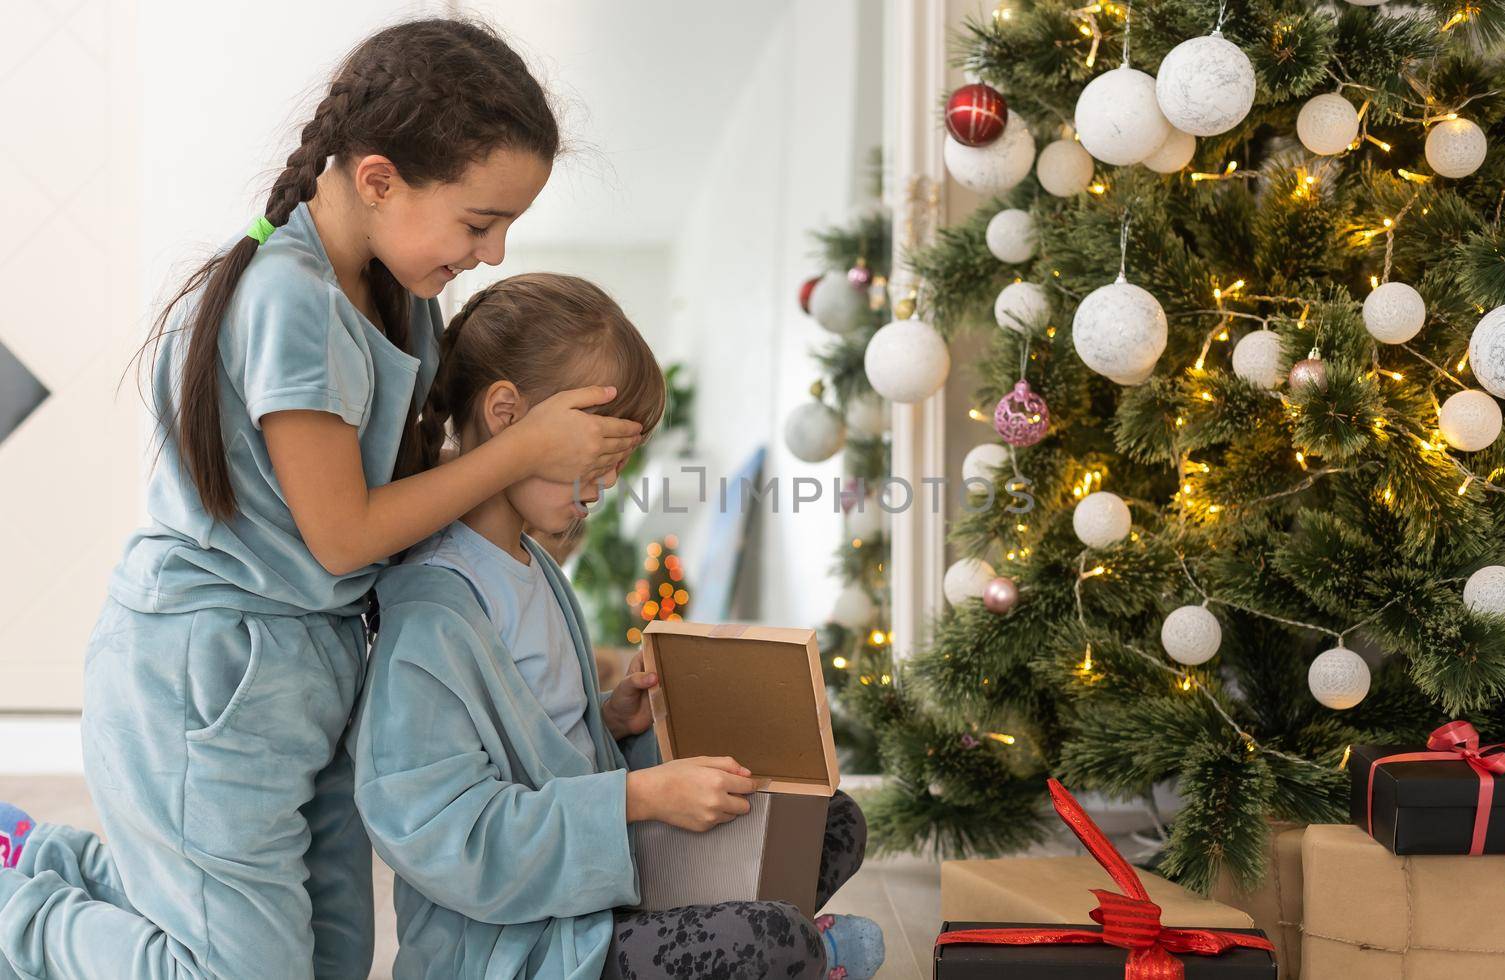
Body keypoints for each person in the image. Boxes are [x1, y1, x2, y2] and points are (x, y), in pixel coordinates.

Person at [0, 20, 641, 980]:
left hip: (317, 673)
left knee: (336, 959)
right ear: (378, 179)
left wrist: (577, 671)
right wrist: (522, 452)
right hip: (211, 678)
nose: (498, 252)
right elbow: (343, 538)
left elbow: (424, 546)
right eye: (479, 222)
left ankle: (124, 865)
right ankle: (29, 904)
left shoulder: (399, 296)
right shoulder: (290, 300)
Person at [355, 273, 884, 979]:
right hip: (522, 948)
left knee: (832, 817)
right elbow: (446, 835)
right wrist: (638, 796)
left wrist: (612, 720)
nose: (604, 487)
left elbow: (541, 748)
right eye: (597, 458)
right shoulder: (433, 612)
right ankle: (791, 947)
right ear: (509, 415)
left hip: (600, 893)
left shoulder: (537, 570)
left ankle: (777, 941)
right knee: (773, 940)